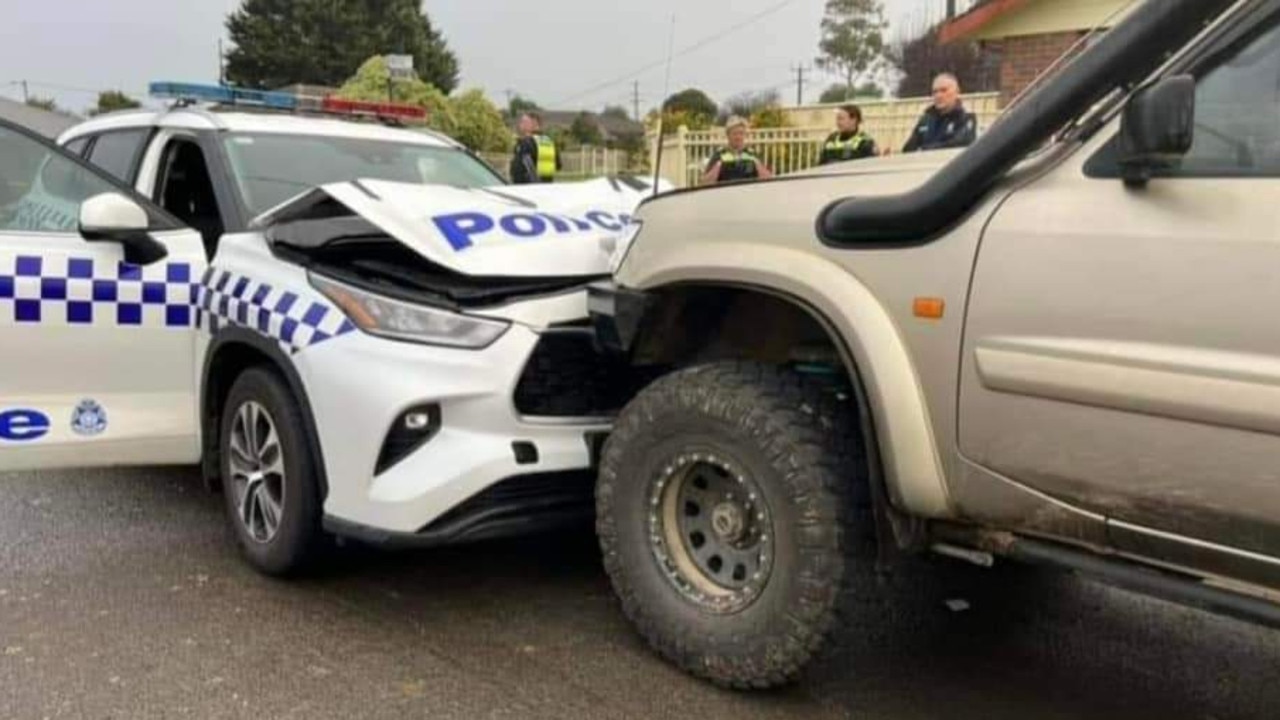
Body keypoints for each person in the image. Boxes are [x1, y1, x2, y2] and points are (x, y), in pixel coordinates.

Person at [902, 73, 978, 153]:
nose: (938, 95)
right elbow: (908, 150)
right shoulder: (925, 121)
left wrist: (924, 150)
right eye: (935, 92)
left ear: (957, 92)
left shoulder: (966, 119)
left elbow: (958, 145)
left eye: (944, 90)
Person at [701, 116, 774, 185]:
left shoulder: (752, 154)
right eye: (735, 133)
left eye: (741, 133)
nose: (738, 137)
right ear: (728, 135)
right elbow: (705, 182)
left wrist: (757, 164)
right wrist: (718, 165)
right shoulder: (719, 154)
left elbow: (768, 180)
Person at [509, 112, 561, 184]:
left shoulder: (525, 143)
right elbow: (558, 166)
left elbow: (520, 169)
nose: (520, 124)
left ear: (534, 123)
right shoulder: (549, 142)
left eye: (524, 122)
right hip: (547, 185)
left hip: (527, 187)